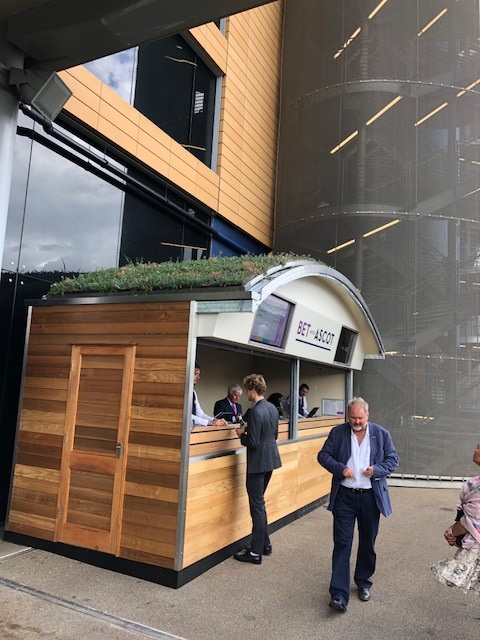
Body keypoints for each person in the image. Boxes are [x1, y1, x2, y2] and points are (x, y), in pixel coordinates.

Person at [317, 397, 398, 612]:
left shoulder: (381, 434)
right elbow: (323, 456)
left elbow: (393, 460)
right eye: (353, 417)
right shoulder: (338, 432)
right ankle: (338, 594)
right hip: (344, 495)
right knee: (342, 543)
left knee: (367, 542)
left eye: (360, 417)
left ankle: (363, 582)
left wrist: (377, 470)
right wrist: (340, 468)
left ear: (367, 415)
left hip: (370, 498)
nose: (356, 421)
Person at [233, 374, 282, 565]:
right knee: (260, 504)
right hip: (270, 462)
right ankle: (264, 545)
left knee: (257, 507)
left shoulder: (254, 412)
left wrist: (240, 434)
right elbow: (274, 435)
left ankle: (254, 553)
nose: (246, 393)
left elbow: (251, 442)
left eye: (246, 389)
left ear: (252, 389)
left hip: (257, 465)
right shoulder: (272, 408)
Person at [431, 443, 480, 594]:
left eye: (479, 446)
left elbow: (473, 519)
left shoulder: (475, 486)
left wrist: (452, 531)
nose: (475, 449)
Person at [191, 364, 227, 430]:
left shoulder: (193, 393)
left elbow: (200, 414)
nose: (198, 377)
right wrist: (209, 422)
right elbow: (186, 416)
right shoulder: (180, 392)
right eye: (196, 374)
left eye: (198, 374)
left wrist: (216, 420)